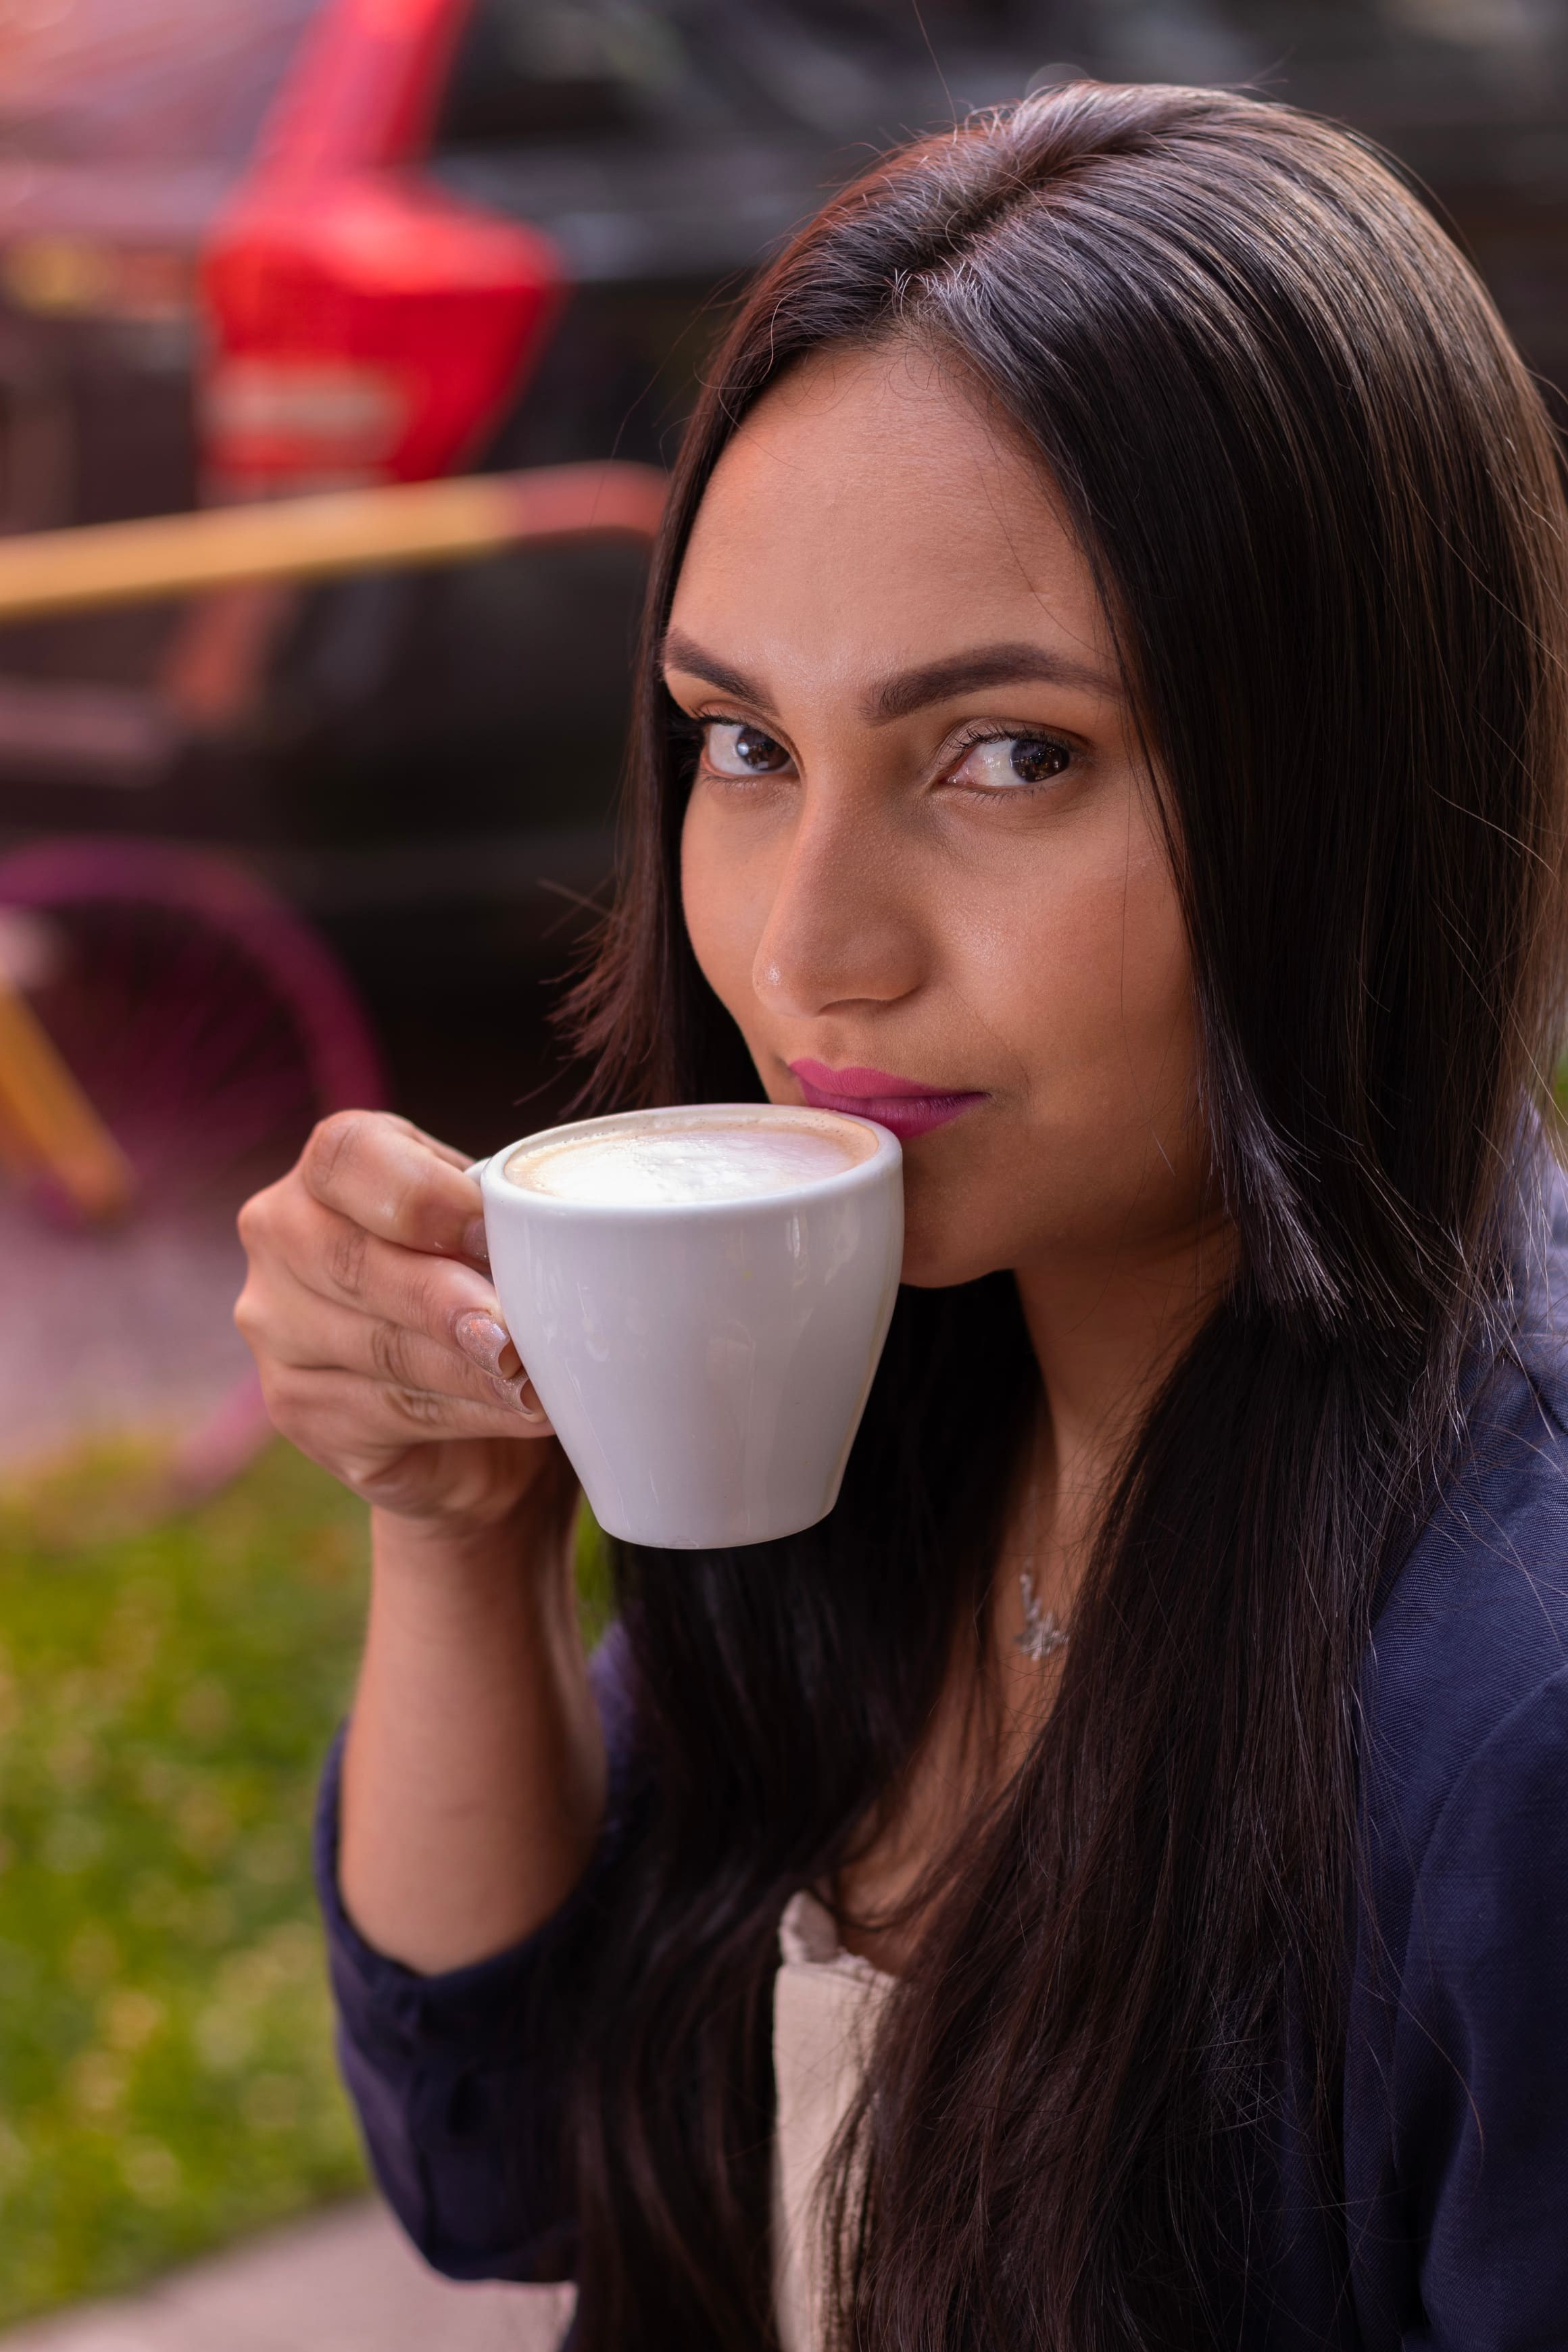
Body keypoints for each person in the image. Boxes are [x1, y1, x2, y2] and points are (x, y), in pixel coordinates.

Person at [234, 81, 1568, 2352]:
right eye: (743, 745)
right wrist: (454, 1528)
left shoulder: (1507, 1724)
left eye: (1009, 754)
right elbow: (510, 2155)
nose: (809, 948)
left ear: (1353, 783)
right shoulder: (900, 1373)